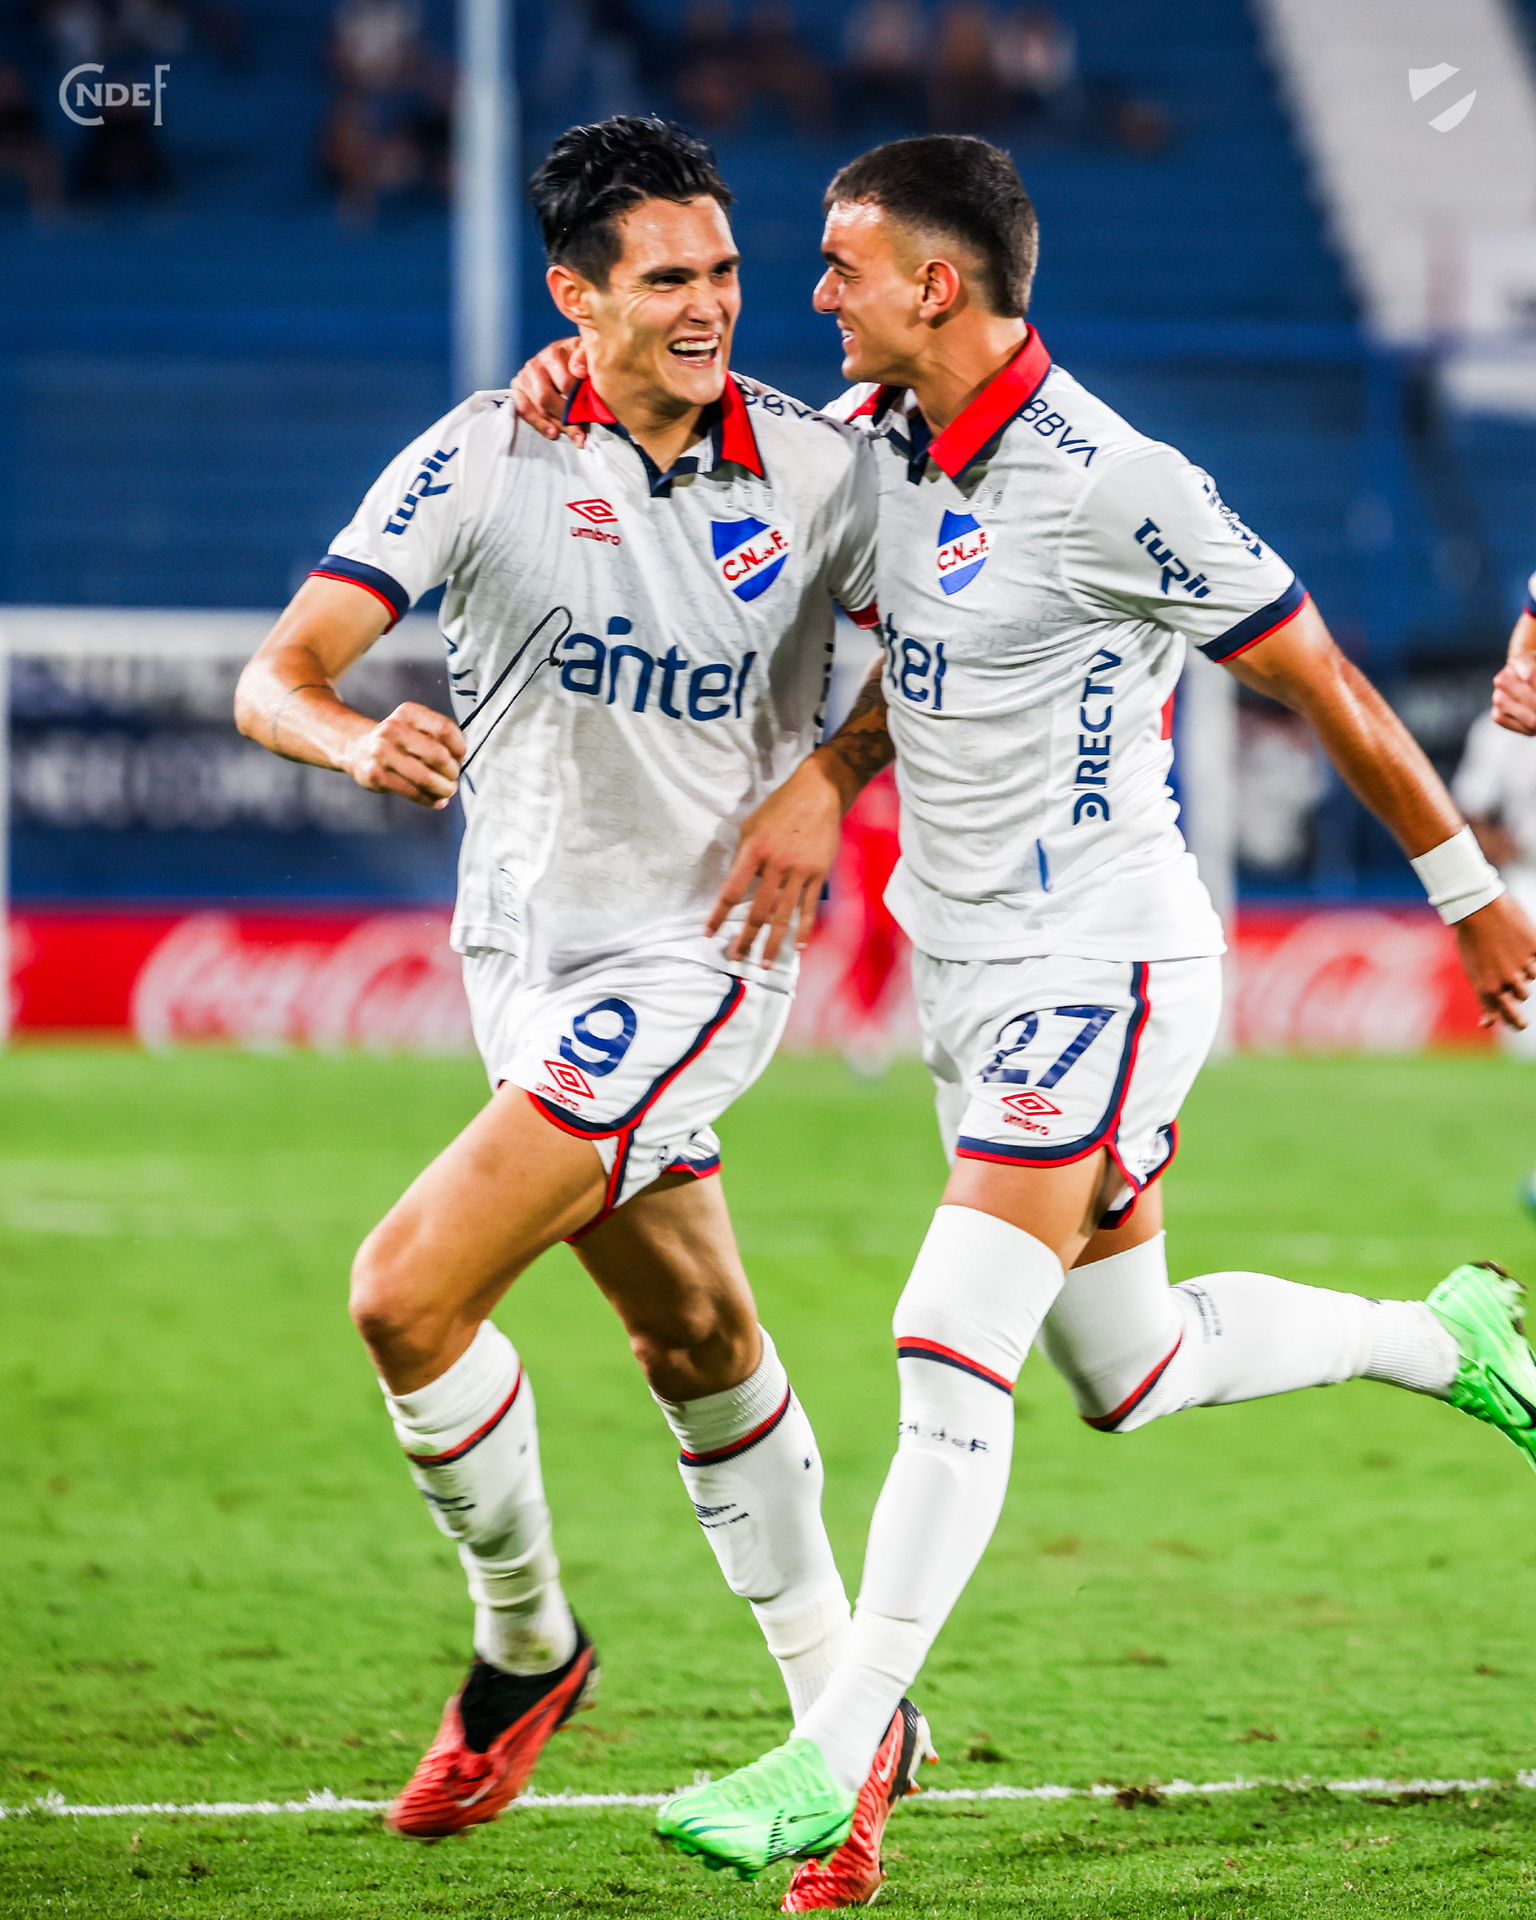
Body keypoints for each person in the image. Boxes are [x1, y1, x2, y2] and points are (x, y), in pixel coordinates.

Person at [556, 134, 1536, 1898]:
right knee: (1128, 1369)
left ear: (936, 284)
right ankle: (1437, 1337)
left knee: (950, 1336)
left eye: (842, 263)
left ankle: (840, 1745)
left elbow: (1320, 676)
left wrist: (1471, 899)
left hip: (1108, 962)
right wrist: (824, 775)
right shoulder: (880, 450)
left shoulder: (1116, 483)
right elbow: (909, 666)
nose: (813, 292)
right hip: (968, 973)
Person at [233, 114, 934, 1849]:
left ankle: (524, 1649)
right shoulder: (488, 454)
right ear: (577, 296)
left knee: (404, 1297)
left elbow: (937, 648)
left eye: (727, 272)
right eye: (668, 278)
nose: (711, 306)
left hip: (706, 959)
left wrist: (826, 780)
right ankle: (851, 1712)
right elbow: (278, 673)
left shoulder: (826, 472)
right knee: (694, 1331)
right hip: (526, 960)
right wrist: (350, 737)